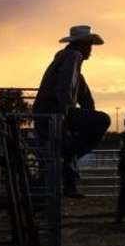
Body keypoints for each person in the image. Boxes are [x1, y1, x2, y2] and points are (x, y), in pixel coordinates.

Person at [32, 25, 111, 199]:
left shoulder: (67, 60)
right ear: (81, 44)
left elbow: (86, 98)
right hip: (54, 112)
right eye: (89, 44)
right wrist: (66, 114)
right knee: (102, 120)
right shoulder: (73, 57)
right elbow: (65, 87)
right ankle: (66, 158)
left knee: (69, 142)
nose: (91, 49)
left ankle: (65, 164)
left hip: (47, 113)